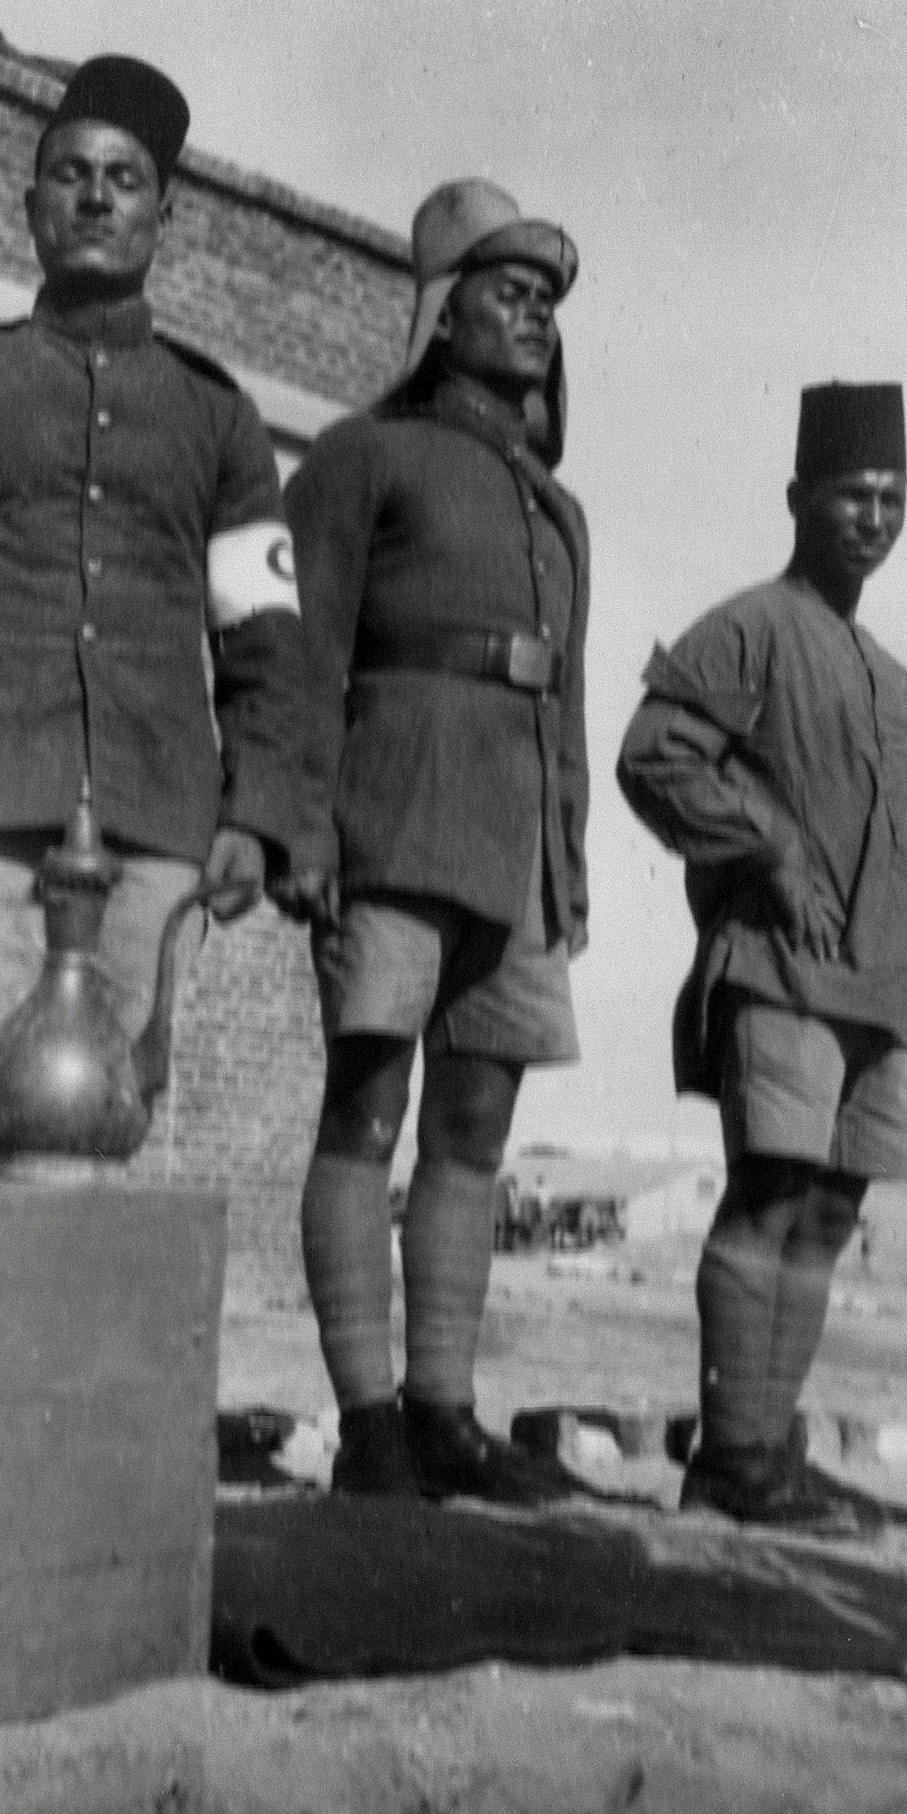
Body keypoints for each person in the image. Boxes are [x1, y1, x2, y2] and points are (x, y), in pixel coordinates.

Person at [0, 54, 304, 1129]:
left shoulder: (219, 418)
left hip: (153, 824)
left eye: (124, 179)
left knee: (108, 1113)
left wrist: (258, 819)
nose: (95, 197)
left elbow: (267, 647)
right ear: (31, 205)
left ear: (163, 216)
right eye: (71, 174)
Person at [273, 179, 590, 1502]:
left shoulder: (557, 512)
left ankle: (445, 1414)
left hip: (514, 857)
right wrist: (297, 820)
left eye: (546, 301)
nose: (535, 317)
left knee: (473, 1132)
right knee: (365, 1113)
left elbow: (564, 702)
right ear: (441, 314)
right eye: (508, 292)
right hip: (393, 820)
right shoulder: (360, 457)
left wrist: (566, 858)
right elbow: (299, 649)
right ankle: (369, 1424)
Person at [617, 381, 907, 1533]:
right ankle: (730, 1455)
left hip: (875, 993)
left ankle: (762, 1454)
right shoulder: (751, 626)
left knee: (825, 1218)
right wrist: (766, 844)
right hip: (778, 968)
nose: (873, 517)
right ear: (797, 498)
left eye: (892, 498)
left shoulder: (890, 677)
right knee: (767, 1199)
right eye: (852, 494)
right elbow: (654, 753)